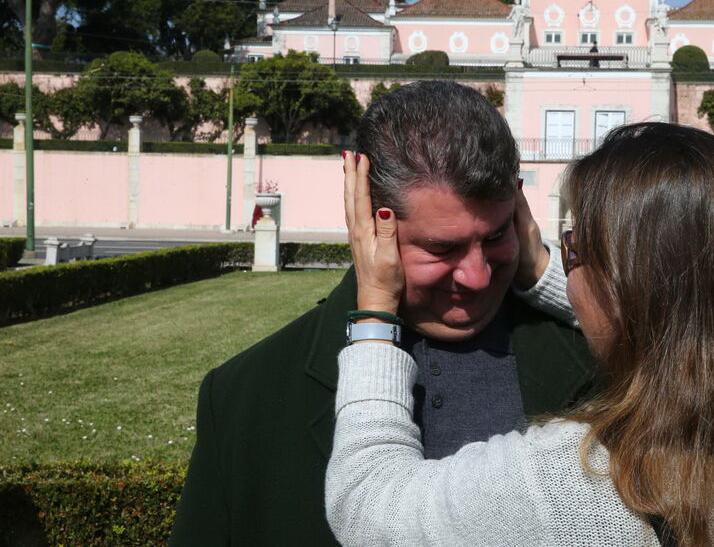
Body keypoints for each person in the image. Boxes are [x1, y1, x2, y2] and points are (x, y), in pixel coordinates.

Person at [327, 122, 714, 545]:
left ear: (629, 290)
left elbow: (369, 505)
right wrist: (541, 267)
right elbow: (686, 326)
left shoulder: (583, 483)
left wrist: (375, 315)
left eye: (574, 246)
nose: (478, 275)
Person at [169, 81, 598, 545]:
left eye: (494, 237)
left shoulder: (603, 357)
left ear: (519, 208)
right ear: (369, 222)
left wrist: (543, 271)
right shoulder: (246, 395)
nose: (476, 276)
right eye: (442, 248)